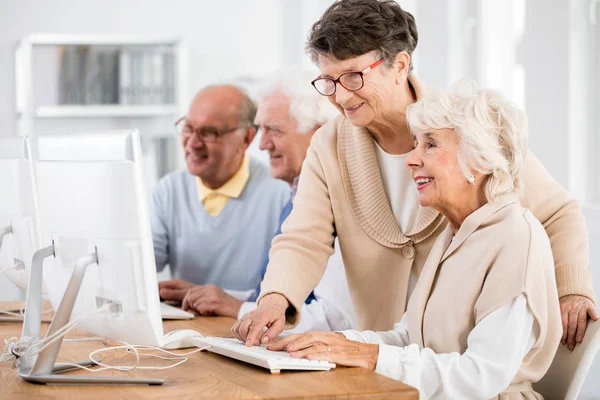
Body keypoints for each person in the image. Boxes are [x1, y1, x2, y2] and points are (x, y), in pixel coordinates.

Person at [233, 0, 597, 351]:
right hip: (378, 351)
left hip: (460, 356)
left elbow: (556, 213)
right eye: (328, 81)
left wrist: (571, 289)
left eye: (353, 77)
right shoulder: (329, 144)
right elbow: (303, 237)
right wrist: (274, 299)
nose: (340, 96)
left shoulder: (463, 125)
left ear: (400, 65)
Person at [266, 81, 562, 399]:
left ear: (479, 159)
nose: (410, 159)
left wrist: (368, 356)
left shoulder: (515, 237)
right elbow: (410, 337)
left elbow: (480, 375)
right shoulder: (454, 235)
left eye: (430, 145)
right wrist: (336, 343)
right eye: (416, 143)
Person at [179, 70, 357, 332]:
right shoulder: (294, 195)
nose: (261, 145)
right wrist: (219, 297)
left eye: (273, 130)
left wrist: (237, 308)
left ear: (319, 134)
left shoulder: (344, 203)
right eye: (260, 129)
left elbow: (335, 318)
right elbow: (284, 298)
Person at [152, 85, 290, 300]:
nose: (193, 143)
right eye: (188, 128)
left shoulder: (281, 193)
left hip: (249, 326)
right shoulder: (168, 190)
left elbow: (290, 291)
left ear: (246, 139)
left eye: (209, 133)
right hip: (186, 328)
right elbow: (143, 265)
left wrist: (226, 298)